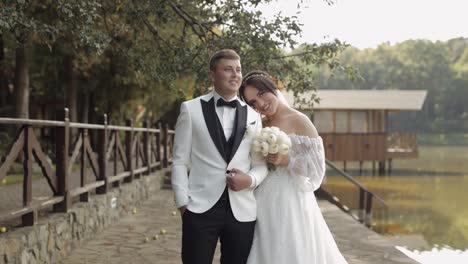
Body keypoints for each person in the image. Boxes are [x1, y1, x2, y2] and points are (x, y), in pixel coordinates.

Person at [239, 70, 348, 264]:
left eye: (262, 94)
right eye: (253, 102)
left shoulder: (300, 120)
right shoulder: (258, 124)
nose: (261, 104)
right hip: (262, 197)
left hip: (291, 199)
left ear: (272, 88)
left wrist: (285, 161)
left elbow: (316, 170)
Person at [171, 50, 268, 264]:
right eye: (227, 69)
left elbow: (261, 165)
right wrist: (182, 203)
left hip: (242, 210)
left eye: (238, 70)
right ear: (212, 75)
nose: (235, 75)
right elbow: (179, 160)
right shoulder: (190, 109)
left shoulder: (254, 116)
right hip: (199, 208)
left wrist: (250, 180)